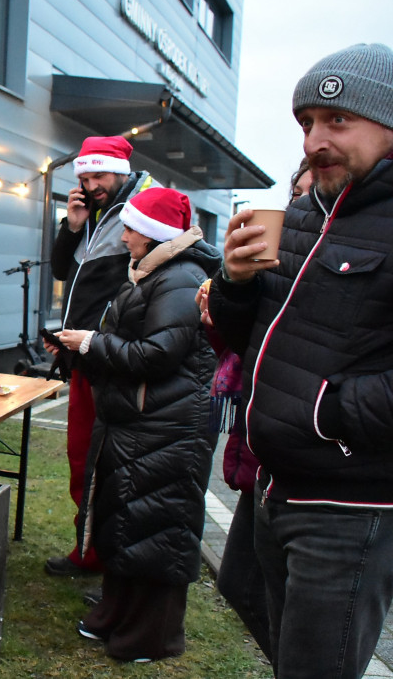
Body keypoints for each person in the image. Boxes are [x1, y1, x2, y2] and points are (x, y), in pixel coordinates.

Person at [207, 43, 393, 678]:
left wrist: (326, 411)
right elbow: (244, 337)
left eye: (337, 120)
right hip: (273, 487)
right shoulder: (303, 215)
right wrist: (232, 282)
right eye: (307, 122)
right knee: (281, 648)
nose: (315, 140)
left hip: (350, 506)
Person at [52, 187, 220, 662]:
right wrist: (79, 345)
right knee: (127, 521)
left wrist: (90, 344)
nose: (123, 237)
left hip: (166, 428)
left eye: (129, 228)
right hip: (139, 421)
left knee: (157, 530)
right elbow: (131, 339)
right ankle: (117, 615)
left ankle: (152, 635)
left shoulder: (181, 279)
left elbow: (157, 355)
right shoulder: (155, 274)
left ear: (153, 234)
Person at [199, 162, 314, 663]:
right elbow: (244, 343)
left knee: (311, 633)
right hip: (259, 456)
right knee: (242, 587)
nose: (305, 205)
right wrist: (229, 289)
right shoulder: (280, 260)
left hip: (320, 468)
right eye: (298, 195)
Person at [45, 135, 160, 577]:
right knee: (82, 458)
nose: (91, 185)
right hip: (83, 355)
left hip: (114, 359)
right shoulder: (90, 213)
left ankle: (108, 553)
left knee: (107, 463)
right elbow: (62, 272)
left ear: (120, 172)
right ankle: (90, 547)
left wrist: (99, 340)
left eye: (99, 176)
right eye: (85, 177)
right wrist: (71, 226)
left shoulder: (145, 206)